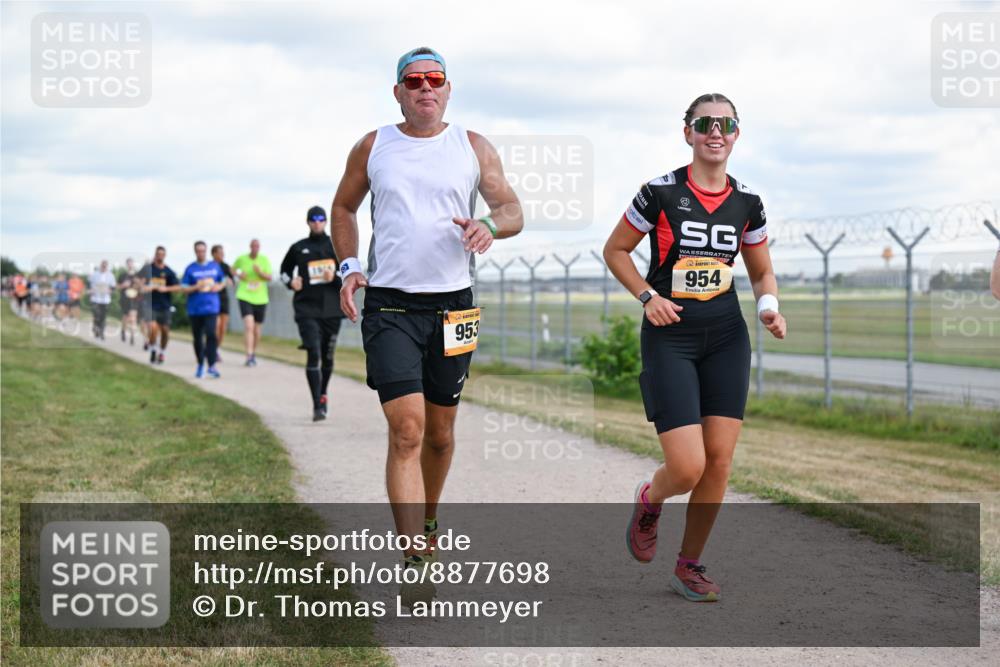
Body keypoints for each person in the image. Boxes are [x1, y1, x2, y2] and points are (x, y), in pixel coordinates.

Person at [332, 47, 523, 594]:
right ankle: (414, 558)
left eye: (434, 79)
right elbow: (343, 208)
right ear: (398, 91)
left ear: (447, 89)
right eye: (413, 80)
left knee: (440, 434)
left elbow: (512, 209)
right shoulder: (374, 146)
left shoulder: (472, 146)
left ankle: (430, 521)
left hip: (453, 306)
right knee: (408, 430)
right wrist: (349, 266)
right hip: (390, 304)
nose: (424, 88)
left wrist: (489, 224)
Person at [603, 93, 787, 602]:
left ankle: (689, 565)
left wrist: (768, 305)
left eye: (726, 123)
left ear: (736, 134)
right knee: (687, 467)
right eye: (705, 122)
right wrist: (647, 296)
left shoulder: (748, 202)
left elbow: (761, 269)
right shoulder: (658, 193)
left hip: (727, 335)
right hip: (671, 336)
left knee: (720, 462)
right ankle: (650, 498)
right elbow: (615, 250)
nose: (716, 131)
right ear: (687, 131)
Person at [280, 205, 344, 421]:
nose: (317, 222)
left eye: (321, 219)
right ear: (308, 222)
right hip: (306, 308)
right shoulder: (299, 247)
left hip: (332, 311)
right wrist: (292, 282)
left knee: (327, 357)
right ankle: (317, 404)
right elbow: (284, 272)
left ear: (326, 222)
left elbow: (349, 276)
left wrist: (334, 277)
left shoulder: (336, 246)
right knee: (313, 352)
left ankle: (323, 393)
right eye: (313, 219)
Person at [181, 241, 225, 378]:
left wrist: (219, 286)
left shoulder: (214, 266)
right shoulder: (190, 269)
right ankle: (200, 363)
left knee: (211, 334)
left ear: (206, 251)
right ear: (195, 252)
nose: (201, 253)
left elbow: (222, 281)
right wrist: (196, 287)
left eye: (203, 251)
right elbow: (184, 288)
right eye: (198, 251)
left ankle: (212, 365)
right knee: (197, 338)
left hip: (211, 307)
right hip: (195, 309)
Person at [232, 239, 272, 366]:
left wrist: (260, 272)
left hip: (260, 297)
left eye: (257, 246)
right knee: (249, 326)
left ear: (259, 247)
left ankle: (253, 352)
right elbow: (232, 269)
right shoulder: (242, 259)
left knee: (256, 328)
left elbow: (269, 277)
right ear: (250, 247)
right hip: (244, 295)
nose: (255, 248)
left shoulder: (264, 260)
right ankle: (248, 355)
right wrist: (239, 274)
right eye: (253, 246)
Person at [141, 246, 180, 364]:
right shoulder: (148, 269)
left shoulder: (169, 271)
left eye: (162, 254)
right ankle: (153, 349)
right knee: (153, 329)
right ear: (155, 255)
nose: (160, 256)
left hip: (165, 306)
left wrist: (166, 288)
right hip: (150, 305)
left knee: (165, 331)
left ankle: (162, 352)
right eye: (158, 254)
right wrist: (149, 288)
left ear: (165, 255)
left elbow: (178, 287)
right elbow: (140, 286)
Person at [211, 244, 235, 360]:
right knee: (216, 325)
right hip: (212, 298)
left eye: (223, 253)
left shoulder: (226, 267)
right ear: (214, 254)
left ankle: (216, 349)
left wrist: (230, 280)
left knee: (223, 328)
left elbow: (232, 281)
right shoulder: (209, 266)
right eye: (220, 253)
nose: (222, 255)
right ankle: (211, 349)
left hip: (224, 298)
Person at [89, 260, 116, 340]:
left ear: (107, 266)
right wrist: (91, 291)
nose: (104, 267)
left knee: (103, 317)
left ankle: (101, 332)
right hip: (95, 299)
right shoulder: (94, 274)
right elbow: (89, 285)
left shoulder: (111, 275)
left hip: (105, 300)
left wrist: (110, 291)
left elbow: (113, 287)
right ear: (100, 265)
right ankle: (96, 328)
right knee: (96, 315)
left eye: (105, 266)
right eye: (102, 266)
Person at [117, 258, 141, 345]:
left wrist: (137, 283)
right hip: (124, 299)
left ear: (133, 264)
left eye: (132, 263)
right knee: (125, 318)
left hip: (134, 299)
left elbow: (141, 287)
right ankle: (123, 330)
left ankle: (132, 337)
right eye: (129, 264)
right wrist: (123, 285)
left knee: (133, 318)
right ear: (127, 265)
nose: (130, 265)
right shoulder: (122, 275)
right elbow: (117, 287)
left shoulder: (137, 276)